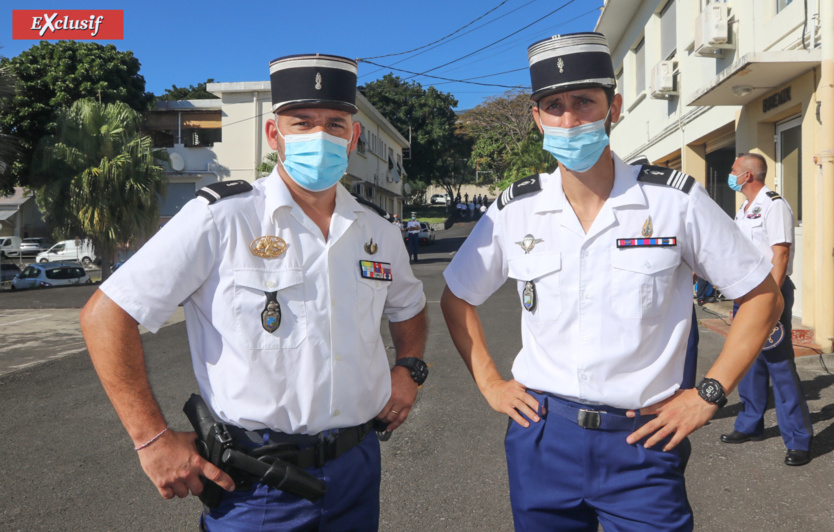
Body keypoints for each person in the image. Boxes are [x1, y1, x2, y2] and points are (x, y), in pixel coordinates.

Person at [440, 32, 782, 531]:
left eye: (584, 102)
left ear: (613, 107)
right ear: (537, 118)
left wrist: (709, 392)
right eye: (553, 106)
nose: (570, 119)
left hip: (642, 441)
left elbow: (760, 295)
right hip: (542, 438)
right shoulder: (516, 209)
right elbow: (456, 297)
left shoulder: (674, 201)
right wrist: (490, 383)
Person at [80, 53, 429, 531]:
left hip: (358, 470)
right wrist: (152, 439)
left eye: (334, 124)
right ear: (274, 134)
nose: (319, 136)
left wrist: (408, 368)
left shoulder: (378, 230)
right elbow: (106, 315)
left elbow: (409, 306)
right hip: (258, 482)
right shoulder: (223, 217)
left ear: (353, 137)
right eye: (302, 122)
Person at [720, 153, 813, 466]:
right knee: (747, 361)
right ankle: (750, 424)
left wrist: (770, 300)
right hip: (743, 294)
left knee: (780, 365)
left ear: (747, 176)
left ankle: (798, 439)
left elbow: (781, 255)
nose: (730, 174)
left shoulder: (774, 204)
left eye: (734, 170)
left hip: (768, 293)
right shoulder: (744, 210)